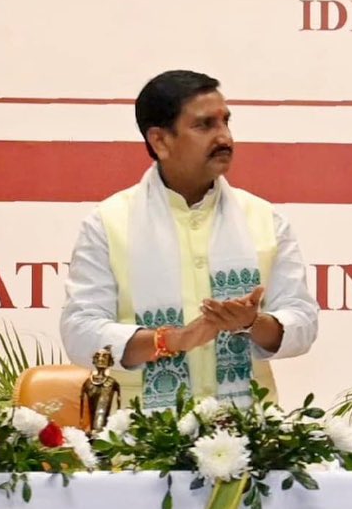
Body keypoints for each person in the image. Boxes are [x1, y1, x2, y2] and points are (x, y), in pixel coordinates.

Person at [61, 70, 318, 412]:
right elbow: (80, 332)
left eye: (225, 122)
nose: (224, 137)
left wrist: (251, 323)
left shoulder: (265, 219)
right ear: (160, 141)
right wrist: (169, 340)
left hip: (250, 440)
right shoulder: (108, 224)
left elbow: (302, 322)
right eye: (204, 125)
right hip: (143, 442)